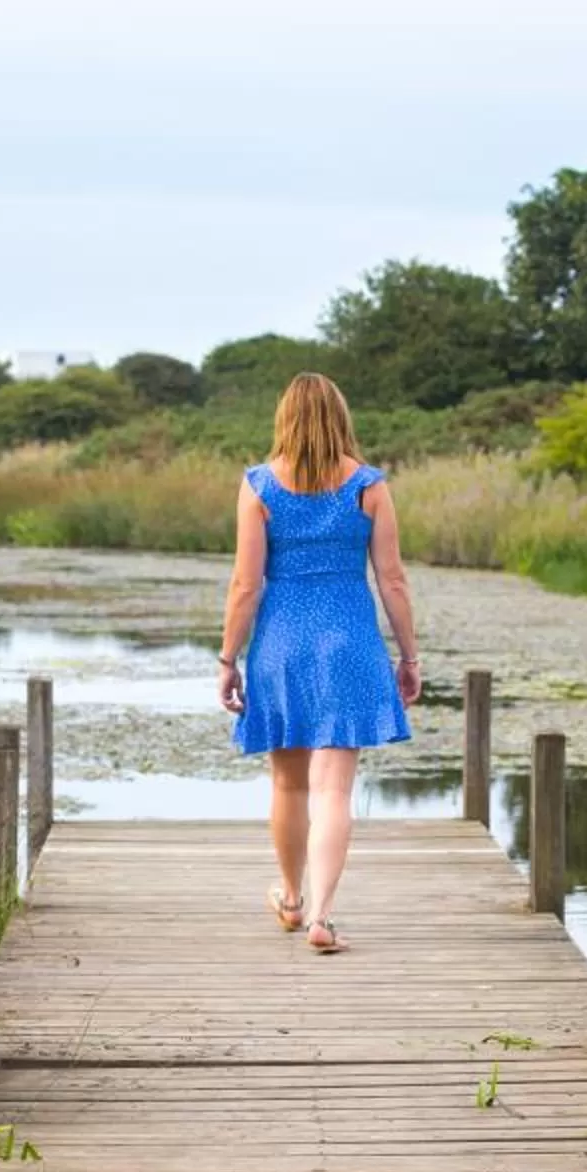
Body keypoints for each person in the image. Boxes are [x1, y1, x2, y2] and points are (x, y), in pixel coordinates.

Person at [217, 372, 418, 954]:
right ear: (340, 417)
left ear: (284, 418)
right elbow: (393, 580)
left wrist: (227, 657)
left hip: (281, 647)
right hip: (350, 644)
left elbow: (244, 585)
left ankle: (290, 896)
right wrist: (409, 655)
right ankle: (322, 917)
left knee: (288, 783)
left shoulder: (258, 487)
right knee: (334, 791)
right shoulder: (369, 486)